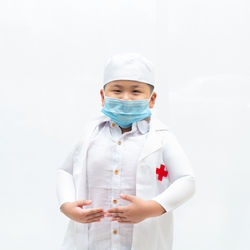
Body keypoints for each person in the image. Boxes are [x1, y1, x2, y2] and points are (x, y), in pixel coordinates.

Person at [56, 52, 196, 250]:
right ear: (103, 96)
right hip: (93, 241)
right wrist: (67, 205)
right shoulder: (89, 137)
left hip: (144, 240)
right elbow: (65, 171)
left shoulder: (162, 138)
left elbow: (186, 181)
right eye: (117, 90)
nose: (126, 98)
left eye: (136, 91)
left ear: (152, 99)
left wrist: (152, 208)